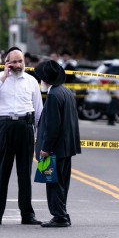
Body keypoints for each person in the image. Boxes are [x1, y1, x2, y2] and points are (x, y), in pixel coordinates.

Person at [0, 47, 44, 226]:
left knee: (24, 173)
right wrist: (4, 77)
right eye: (14, 61)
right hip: (4, 126)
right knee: (2, 172)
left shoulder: (31, 81)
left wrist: (41, 136)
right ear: (7, 63)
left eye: (20, 61)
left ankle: (27, 215)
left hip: (25, 126)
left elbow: (38, 109)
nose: (18, 65)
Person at [33, 59, 81, 227]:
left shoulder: (53, 95)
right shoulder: (66, 92)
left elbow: (53, 125)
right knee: (62, 183)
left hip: (55, 148)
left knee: (53, 182)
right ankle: (63, 213)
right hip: (67, 147)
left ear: (45, 79)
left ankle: (59, 216)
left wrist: (45, 148)